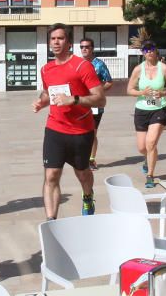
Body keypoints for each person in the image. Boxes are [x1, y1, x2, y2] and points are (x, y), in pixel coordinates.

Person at [32, 23, 105, 219]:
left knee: (82, 174)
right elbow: (49, 92)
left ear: (69, 42)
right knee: (51, 175)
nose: (56, 42)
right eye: (53, 39)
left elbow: (100, 98)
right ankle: (51, 221)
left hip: (81, 131)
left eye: (60, 38)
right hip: (55, 129)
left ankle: (88, 196)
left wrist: (74, 99)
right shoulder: (46, 69)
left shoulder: (82, 66)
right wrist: (42, 102)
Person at [126, 41, 166, 188]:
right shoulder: (138, 69)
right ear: (143, 53)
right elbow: (129, 90)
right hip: (142, 109)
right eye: (145, 49)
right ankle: (146, 158)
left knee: (151, 143)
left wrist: (163, 93)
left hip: (159, 108)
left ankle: (150, 175)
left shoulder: (164, 68)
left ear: (156, 51)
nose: (149, 52)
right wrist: (142, 92)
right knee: (142, 147)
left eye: (151, 49)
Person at [79, 37, 114, 170]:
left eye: (87, 46)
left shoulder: (99, 64)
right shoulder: (78, 64)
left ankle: (91, 159)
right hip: (80, 102)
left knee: (92, 133)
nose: (84, 49)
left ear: (92, 48)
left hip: (94, 104)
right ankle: (81, 157)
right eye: (82, 47)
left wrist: (98, 91)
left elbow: (109, 82)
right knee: (80, 132)